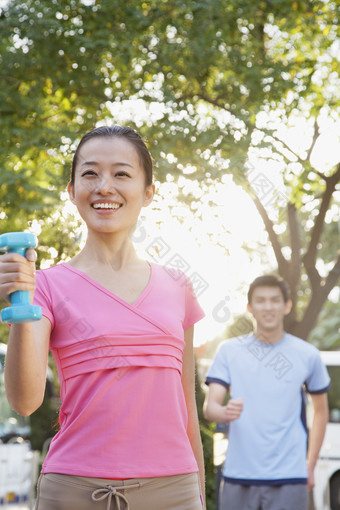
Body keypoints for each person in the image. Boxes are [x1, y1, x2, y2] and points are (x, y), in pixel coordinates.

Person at [1, 125, 206, 510]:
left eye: (122, 174)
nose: (104, 186)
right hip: (76, 490)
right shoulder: (43, 286)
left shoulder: (178, 286)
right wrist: (18, 303)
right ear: (72, 190)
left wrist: (197, 493)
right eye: (90, 173)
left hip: (174, 491)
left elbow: (186, 404)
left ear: (148, 193)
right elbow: (25, 401)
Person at [204, 274, 330, 510]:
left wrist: (310, 465)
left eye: (275, 300)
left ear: (287, 306)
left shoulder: (307, 355)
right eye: (260, 301)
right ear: (249, 307)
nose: (268, 307)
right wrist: (223, 412)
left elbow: (321, 412)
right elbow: (210, 407)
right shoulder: (229, 351)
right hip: (237, 475)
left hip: (290, 477)